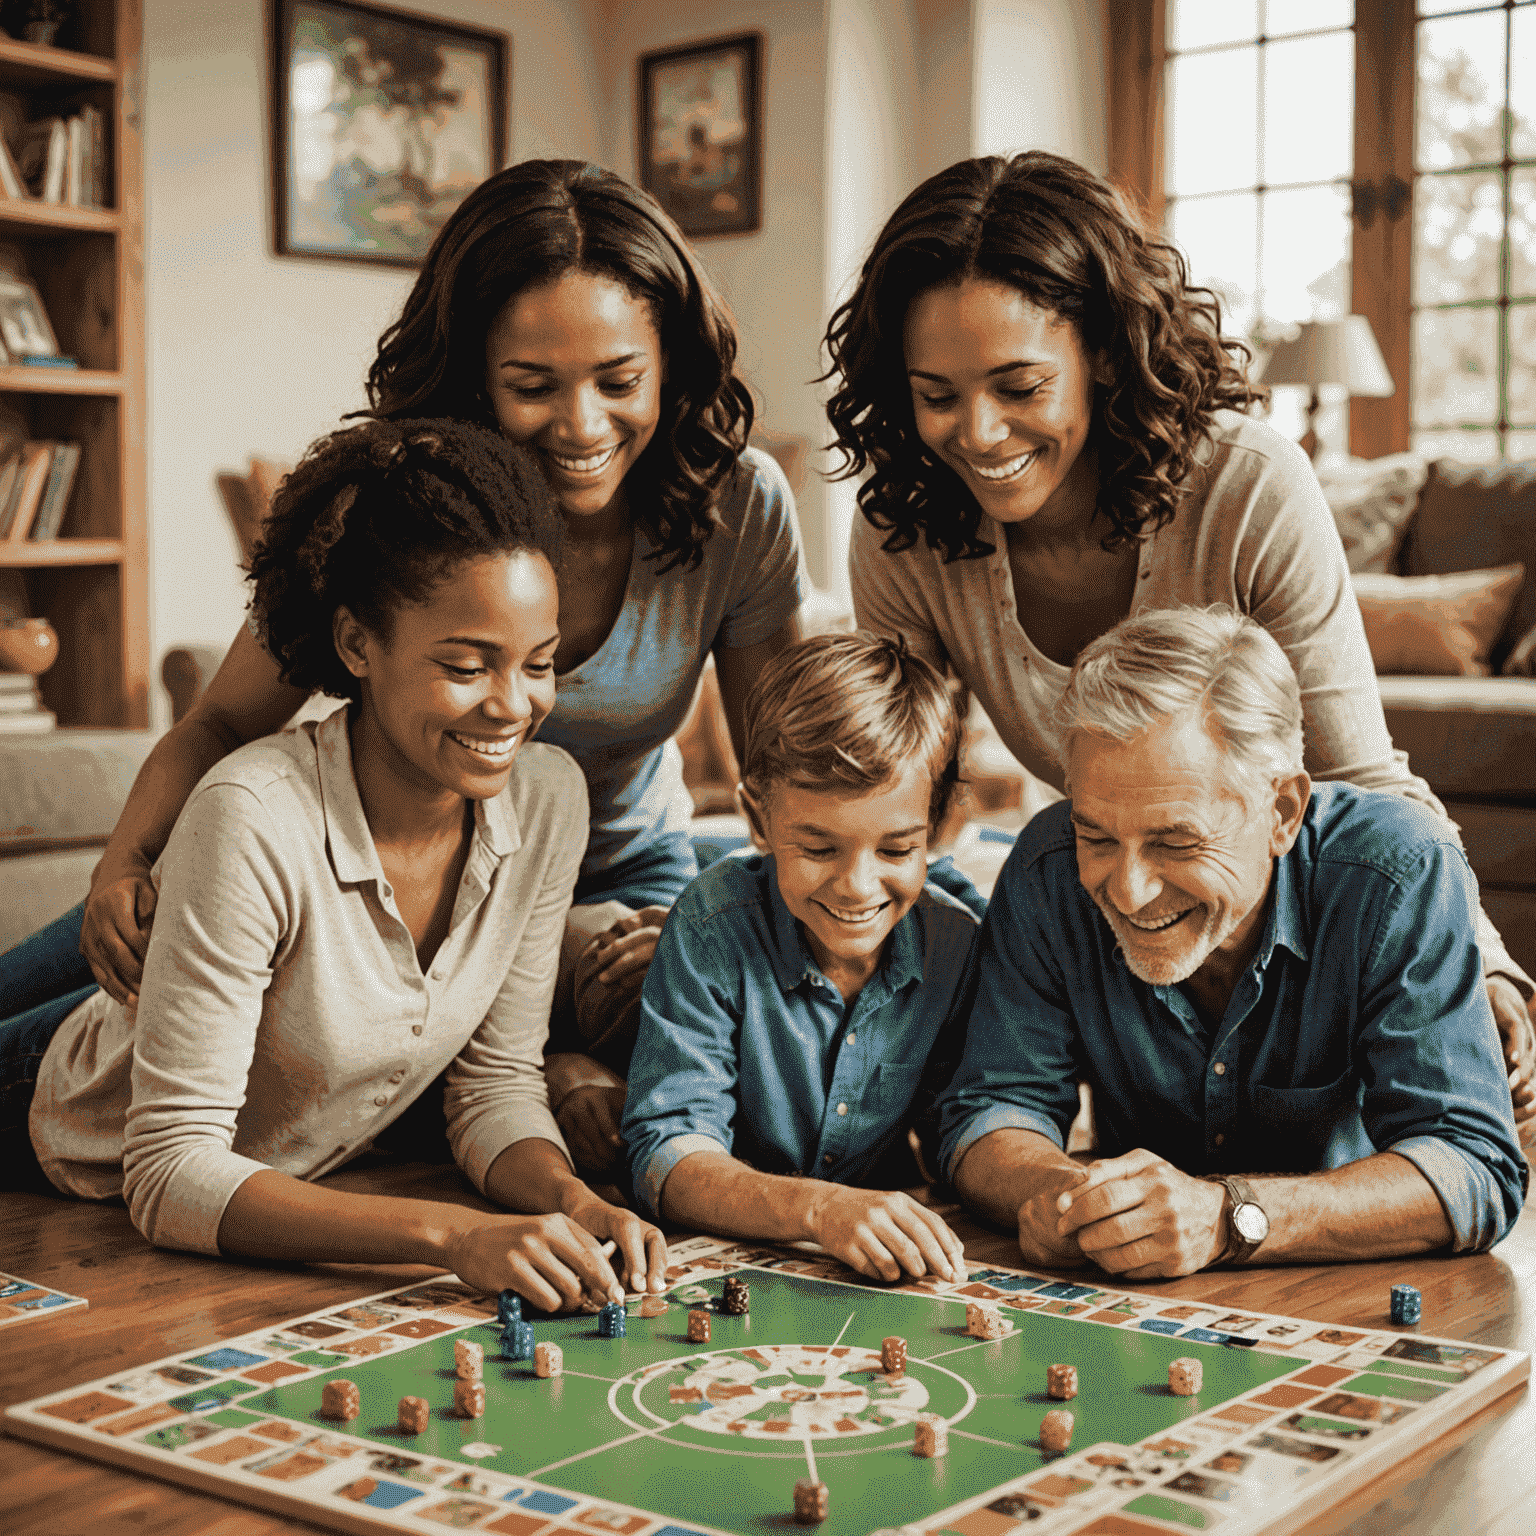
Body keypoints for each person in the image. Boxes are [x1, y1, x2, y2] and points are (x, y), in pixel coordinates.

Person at [2, 160, 808, 1174]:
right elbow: (221, 724)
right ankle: (557, 1067)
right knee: (40, 1008)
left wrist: (717, 927)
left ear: (669, 364)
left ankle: (554, 1064)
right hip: (367, 893)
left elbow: (795, 776)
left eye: (619, 381)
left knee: (640, 978)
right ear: (474, 372)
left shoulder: (737, 506)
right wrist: (124, 860)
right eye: (532, 387)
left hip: (605, 887)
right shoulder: (405, 498)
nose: (583, 426)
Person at [821, 150, 1536, 1129]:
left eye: (1019, 386)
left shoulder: (1247, 487)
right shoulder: (903, 524)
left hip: (1277, 922)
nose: (977, 434)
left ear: (1105, 354)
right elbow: (902, 801)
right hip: (1125, 894)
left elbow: (1360, 779)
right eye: (936, 395)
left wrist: (1482, 966)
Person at [0, 418, 666, 1307]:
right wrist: (453, 1236)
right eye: (468, 665)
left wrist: (572, 1202)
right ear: (358, 646)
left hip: (249, 1141)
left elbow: (493, 1087)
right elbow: (166, 1171)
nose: (513, 706)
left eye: (539, 663)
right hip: (54, 1112)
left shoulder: (548, 801)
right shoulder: (251, 815)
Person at [938, 606, 1527, 1277]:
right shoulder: (1046, 867)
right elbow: (991, 1110)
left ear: (1282, 812)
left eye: (1176, 842)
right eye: (1098, 836)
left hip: (1356, 1280)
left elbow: (1473, 1165)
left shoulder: (1399, 870)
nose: (1127, 891)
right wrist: (1051, 1191)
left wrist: (1227, 1216)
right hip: (1139, 1297)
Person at [621, 633, 975, 1283]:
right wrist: (820, 1209)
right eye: (818, 848)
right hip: (739, 1256)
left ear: (941, 825)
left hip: (866, 1274)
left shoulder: (958, 943)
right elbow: (667, 1155)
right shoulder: (711, 929)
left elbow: (967, 1125)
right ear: (758, 818)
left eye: (896, 851)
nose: (856, 886)